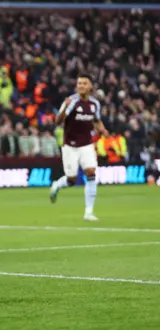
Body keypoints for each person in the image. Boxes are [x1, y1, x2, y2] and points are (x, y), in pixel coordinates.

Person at [49, 74, 108, 221]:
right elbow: (57, 121)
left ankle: (89, 212)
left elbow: (96, 120)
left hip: (87, 144)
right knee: (72, 179)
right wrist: (64, 108)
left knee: (91, 172)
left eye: (84, 83)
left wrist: (102, 129)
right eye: (79, 83)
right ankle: (57, 185)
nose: (81, 85)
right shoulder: (72, 102)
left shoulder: (95, 104)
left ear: (90, 87)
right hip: (70, 145)